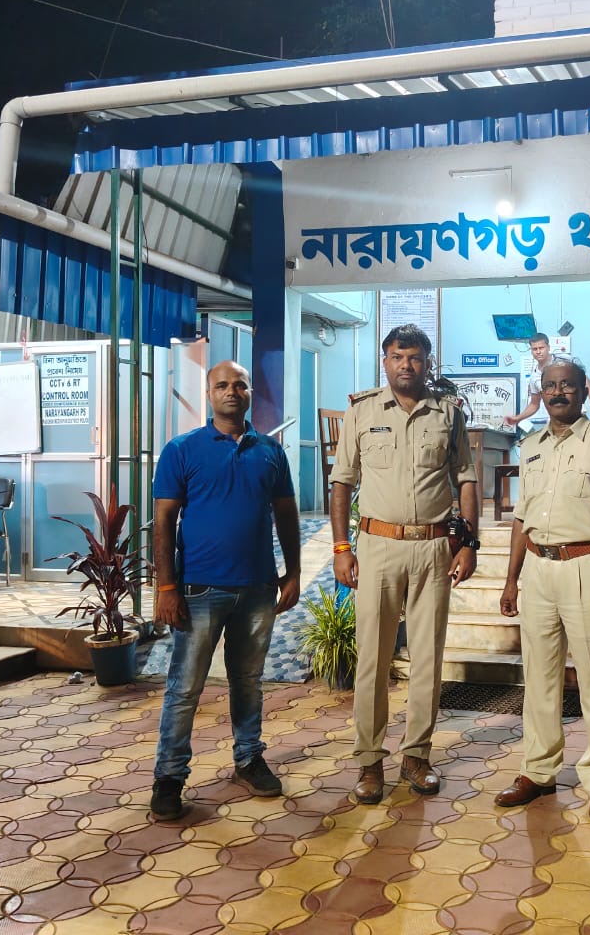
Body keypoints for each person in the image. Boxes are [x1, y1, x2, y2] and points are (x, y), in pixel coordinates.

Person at [330, 324, 480, 805]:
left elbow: (466, 479)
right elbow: (341, 482)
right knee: (372, 658)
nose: (406, 365)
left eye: (414, 357)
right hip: (377, 546)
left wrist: (469, 543)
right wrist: (341, 547)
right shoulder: (361, 411)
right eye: (397, 357)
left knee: (427, 658)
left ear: (427, 362)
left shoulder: (448, 413)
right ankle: (369, 760)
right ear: (385, 361)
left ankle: (416, 756)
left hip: (434, 549)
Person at [150, 360, 302, 821]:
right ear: (209, 393)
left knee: (248, 681)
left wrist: (293, 571)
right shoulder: (182, 450)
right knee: (184, 687)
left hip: (257, 588)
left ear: (250, 392)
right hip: (198, 590)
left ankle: (249, 758)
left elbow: (286, 514)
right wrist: (166, 586)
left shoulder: (270, 452)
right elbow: (163, 521)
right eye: (222, 385)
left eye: (240, 385)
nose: (232, 391)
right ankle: (169, 777)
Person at [496, 359, 590, 824]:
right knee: (539, 676)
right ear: (542, 393)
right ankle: (538, 771)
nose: (558, 393)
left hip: (586, 566)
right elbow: (522, 517)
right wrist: (511, 578)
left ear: (582, 391)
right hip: (538, 568)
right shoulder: (530, 446)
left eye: (567, 386)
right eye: (550, 386)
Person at [503, 332, 590, 427]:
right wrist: (518, 418)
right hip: (555, 418)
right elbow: (534, 404)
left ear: (548, 347)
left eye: (541, 348)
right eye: (534, 349)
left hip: (576, 415)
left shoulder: (565, 360)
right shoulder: (534, 377)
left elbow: (584, 380)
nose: (538, 352)